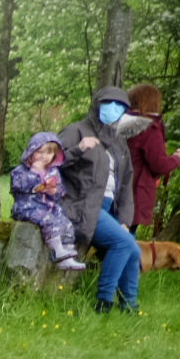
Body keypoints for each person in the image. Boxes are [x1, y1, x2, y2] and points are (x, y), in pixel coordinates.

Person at [56, 86, 142, 315]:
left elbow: (126, 184)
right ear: (97, 105)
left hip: (108, 209)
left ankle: (130, 307)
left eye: (120, 106)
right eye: (108, 103)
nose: (113, 109)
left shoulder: (119, 140)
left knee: (133, 250)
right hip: (79, 205)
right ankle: (103, 302)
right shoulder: (76, 131)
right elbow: (50, 163)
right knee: (123, 244)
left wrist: (124, 220)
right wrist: (78, 149)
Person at [10, 134, 90, 272]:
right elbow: (19, 185)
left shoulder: (52, 171)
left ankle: (67, 254)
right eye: (40, 152)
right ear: (31, 152)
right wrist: (35, 173)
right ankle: (57, 251)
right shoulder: (20, 171)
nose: (44, 157)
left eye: (49, 153)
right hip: (27, 208)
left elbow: (60, 191)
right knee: (50, 221)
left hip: (48, 208)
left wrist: (53, 191)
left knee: (66, 223)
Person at [118, 82, 180, 233]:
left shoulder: (120, 123)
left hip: (115, 187)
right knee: (125, 239)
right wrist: (177, 159)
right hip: (135, 191)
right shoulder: (149, 127)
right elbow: (159, 165)